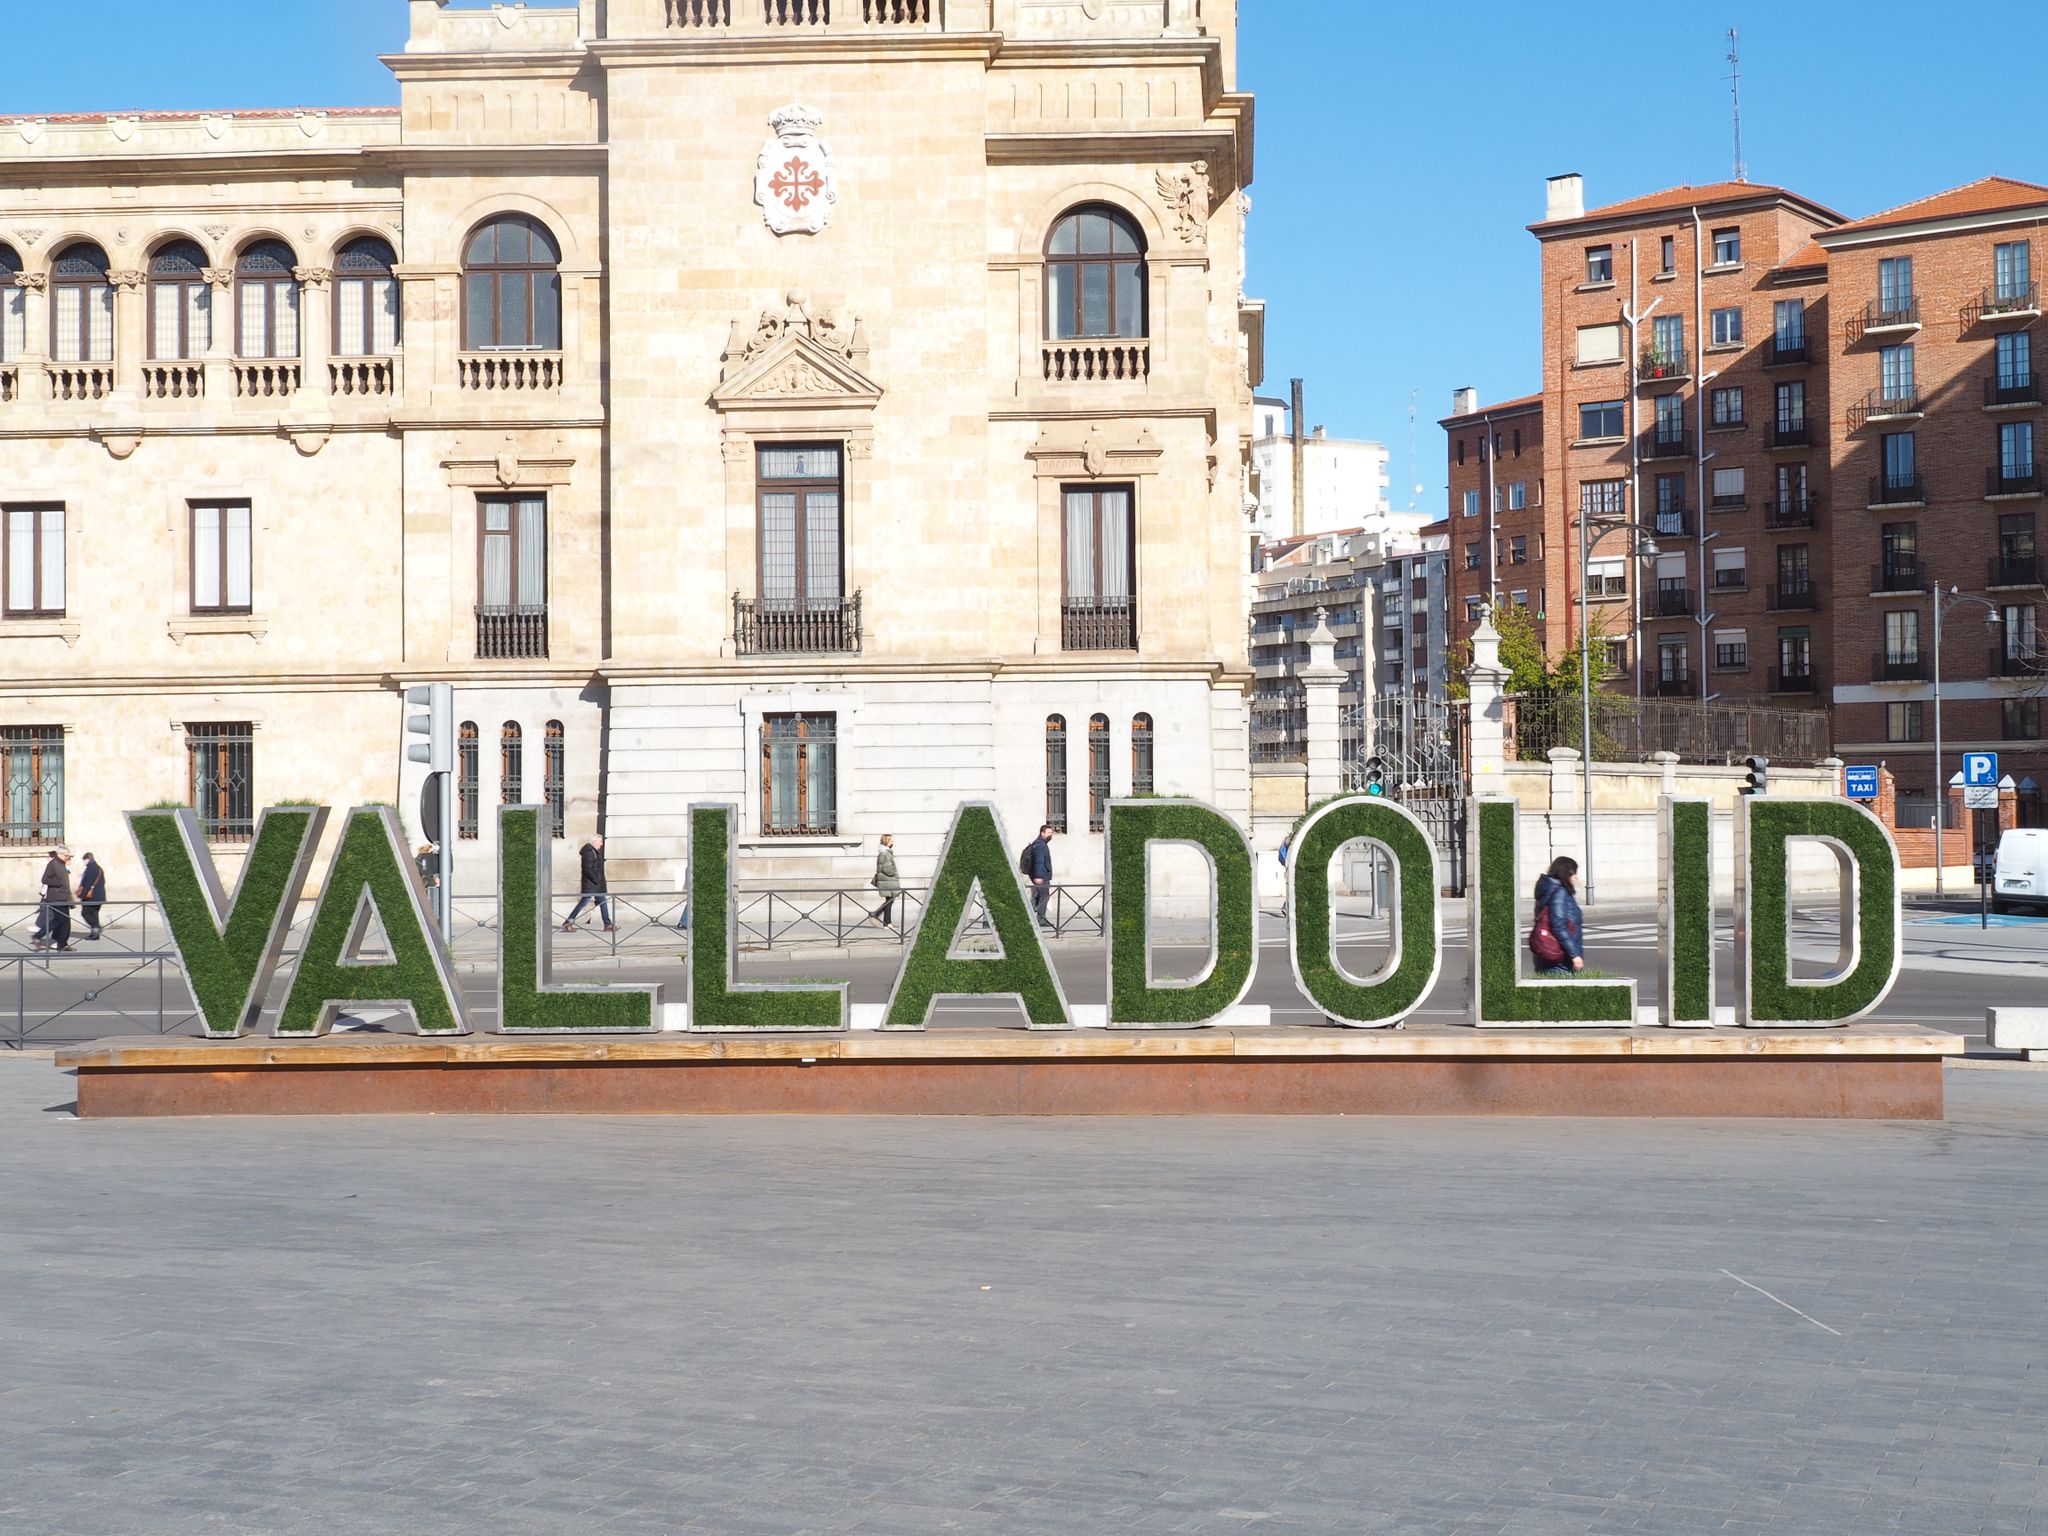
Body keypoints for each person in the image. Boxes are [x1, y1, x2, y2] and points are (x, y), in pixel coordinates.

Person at [1531, 855, 1585, 977]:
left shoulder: (1549, 889)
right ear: (1566, 874)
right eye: (1574, 873)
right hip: (1559, 959)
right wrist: (1575, 955)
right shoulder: (1560, 892)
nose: (1576, 877)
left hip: (1548, 953)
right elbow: (1558, 926)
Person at [564, 833, 615, 931]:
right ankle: (568, 922)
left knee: (603, 902)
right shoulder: (589, 852)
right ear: (595, 842)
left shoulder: (594, 851)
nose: (602, 844)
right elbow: (588, 869)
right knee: (583, 903)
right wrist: (597, 880)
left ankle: (607, 924)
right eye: (600, 841)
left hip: (596, 884)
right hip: (591, 884)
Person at [38, 846, 75, 953]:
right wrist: (58, 883)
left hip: (64, 897)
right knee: (63, 922)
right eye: (66, 855)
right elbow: (44, 879)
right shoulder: (53, 864)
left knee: (62, 922)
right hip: (56, 898)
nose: (67, 857)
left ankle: (59, 942)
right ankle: (61, 944)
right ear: (60, 854)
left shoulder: (62, 864)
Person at [1024, 823, 1056, 929]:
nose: (1051, 835)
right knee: (1044, 897)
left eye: (1051, 833)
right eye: (1049, 833)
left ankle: (1034, 917)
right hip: (1041, 876)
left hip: (1041, 875)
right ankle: (1040, 919)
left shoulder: (1040, 843)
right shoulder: (1040, 845)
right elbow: (1038, 861)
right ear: (1042, 833)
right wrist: (1038, 876)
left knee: (1039, 896)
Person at [869, 834, 901, 928]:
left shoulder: (884, 852)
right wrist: (894, 872)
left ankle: (886, 922)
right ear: (886, 841)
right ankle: (878, 916)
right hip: (888, 880)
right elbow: (887, 868)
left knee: (889, 901)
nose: (892, 842)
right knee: (889, 901)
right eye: (891, 840)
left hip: (887, 881)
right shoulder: (885, 853)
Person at [77, 852, 106, 941]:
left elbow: (87, 884)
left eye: (84, 860)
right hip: (99, 897)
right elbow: (103, 882)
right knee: (94, 914)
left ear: (88, 859)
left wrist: (82, 895)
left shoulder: (90, 869)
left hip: (91, 897)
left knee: (85, 913)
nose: (84, 862)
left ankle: (96, 927)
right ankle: (95, 935)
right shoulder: (99, 868)